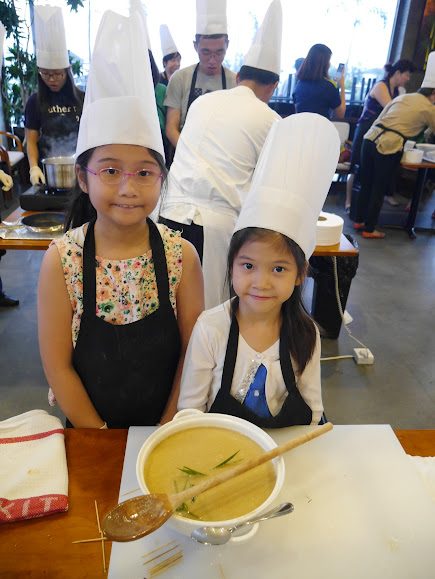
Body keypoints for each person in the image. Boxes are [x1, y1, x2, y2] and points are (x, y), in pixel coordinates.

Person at [37, 10, 204, 429]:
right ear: (83, 177)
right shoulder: (62, 261)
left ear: (162, 177)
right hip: (89, 434)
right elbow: (58, 366)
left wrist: (165, 429)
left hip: (166, 430)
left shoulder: (182, 256)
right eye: (110, 170)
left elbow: (193, 353)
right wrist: (102, 440)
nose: (128, 187)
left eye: (145, 172)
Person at [178, 113, 340, 427]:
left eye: (278, 268)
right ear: (231, 266)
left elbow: (313, 411)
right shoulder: (211, 328)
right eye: (248, 265)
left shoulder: (306, 333)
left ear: (300, 273)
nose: (261, 282)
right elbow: (190, 410)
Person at [159, 0, 282, 309]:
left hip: (166, 214)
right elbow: (270, 185)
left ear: (238, 76)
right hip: (211, 230)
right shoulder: (271, 121)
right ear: (273, 87)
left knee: (167, 304)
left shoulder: (203, 103)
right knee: (206, 313)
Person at [352, 51, 435, 239]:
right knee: (378, 187)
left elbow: (381, 117)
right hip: (388, 145)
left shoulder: (403, 98)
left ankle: (359, 220)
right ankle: (370, 229)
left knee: (366, 183)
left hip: (369, 138)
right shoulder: (429, 108)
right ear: (433, 93)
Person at [163, 0, 237, 148]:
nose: (212, 60)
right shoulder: (180, 78)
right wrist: (190, 153)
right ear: (195, 46)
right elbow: (171, 129)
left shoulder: (235, 82)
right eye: (206, 52)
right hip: (184, 150)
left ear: (227, 45)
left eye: (219, 53)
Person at [24, 5, 84, 187]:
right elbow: (31, 140)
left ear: (68, 71)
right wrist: (34, 167)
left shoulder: (83, 98)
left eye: (58, 74)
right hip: (48, 169)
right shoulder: (35, 101)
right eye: (46, 74)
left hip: (80, 168)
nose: (52, 80)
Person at [345, 59, 415, 212]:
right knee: (357, 167)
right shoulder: (380, 86)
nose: (408, 79)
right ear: (397, 73)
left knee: (372, 170)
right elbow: (392, 110)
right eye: (407, 75)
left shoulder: (398, 91)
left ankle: (364, 206)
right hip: (366, 131)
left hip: (380, 135)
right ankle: (349, 202)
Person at [293, 43, 345, 119]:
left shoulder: (299, 85)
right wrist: (342, 87)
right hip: (321, 126)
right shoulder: (329, 86)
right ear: (325, 64)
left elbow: (297, 111)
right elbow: (340, 115)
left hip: (301, 125)